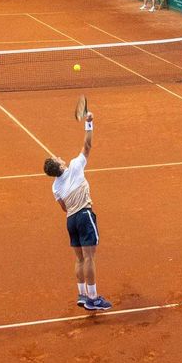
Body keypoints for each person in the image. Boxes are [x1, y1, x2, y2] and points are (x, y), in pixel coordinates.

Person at [43, 105, 111, 311]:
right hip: (84, 215)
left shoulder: (55, 186)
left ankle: (82, 294)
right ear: (60, 166)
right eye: (56, 158)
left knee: (80, 258)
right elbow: (87, 146)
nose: (58, 156)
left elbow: (64, 208)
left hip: (71, 221)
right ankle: (92, 298)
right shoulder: (73, 166)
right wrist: (89, 122)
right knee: (90, 257)